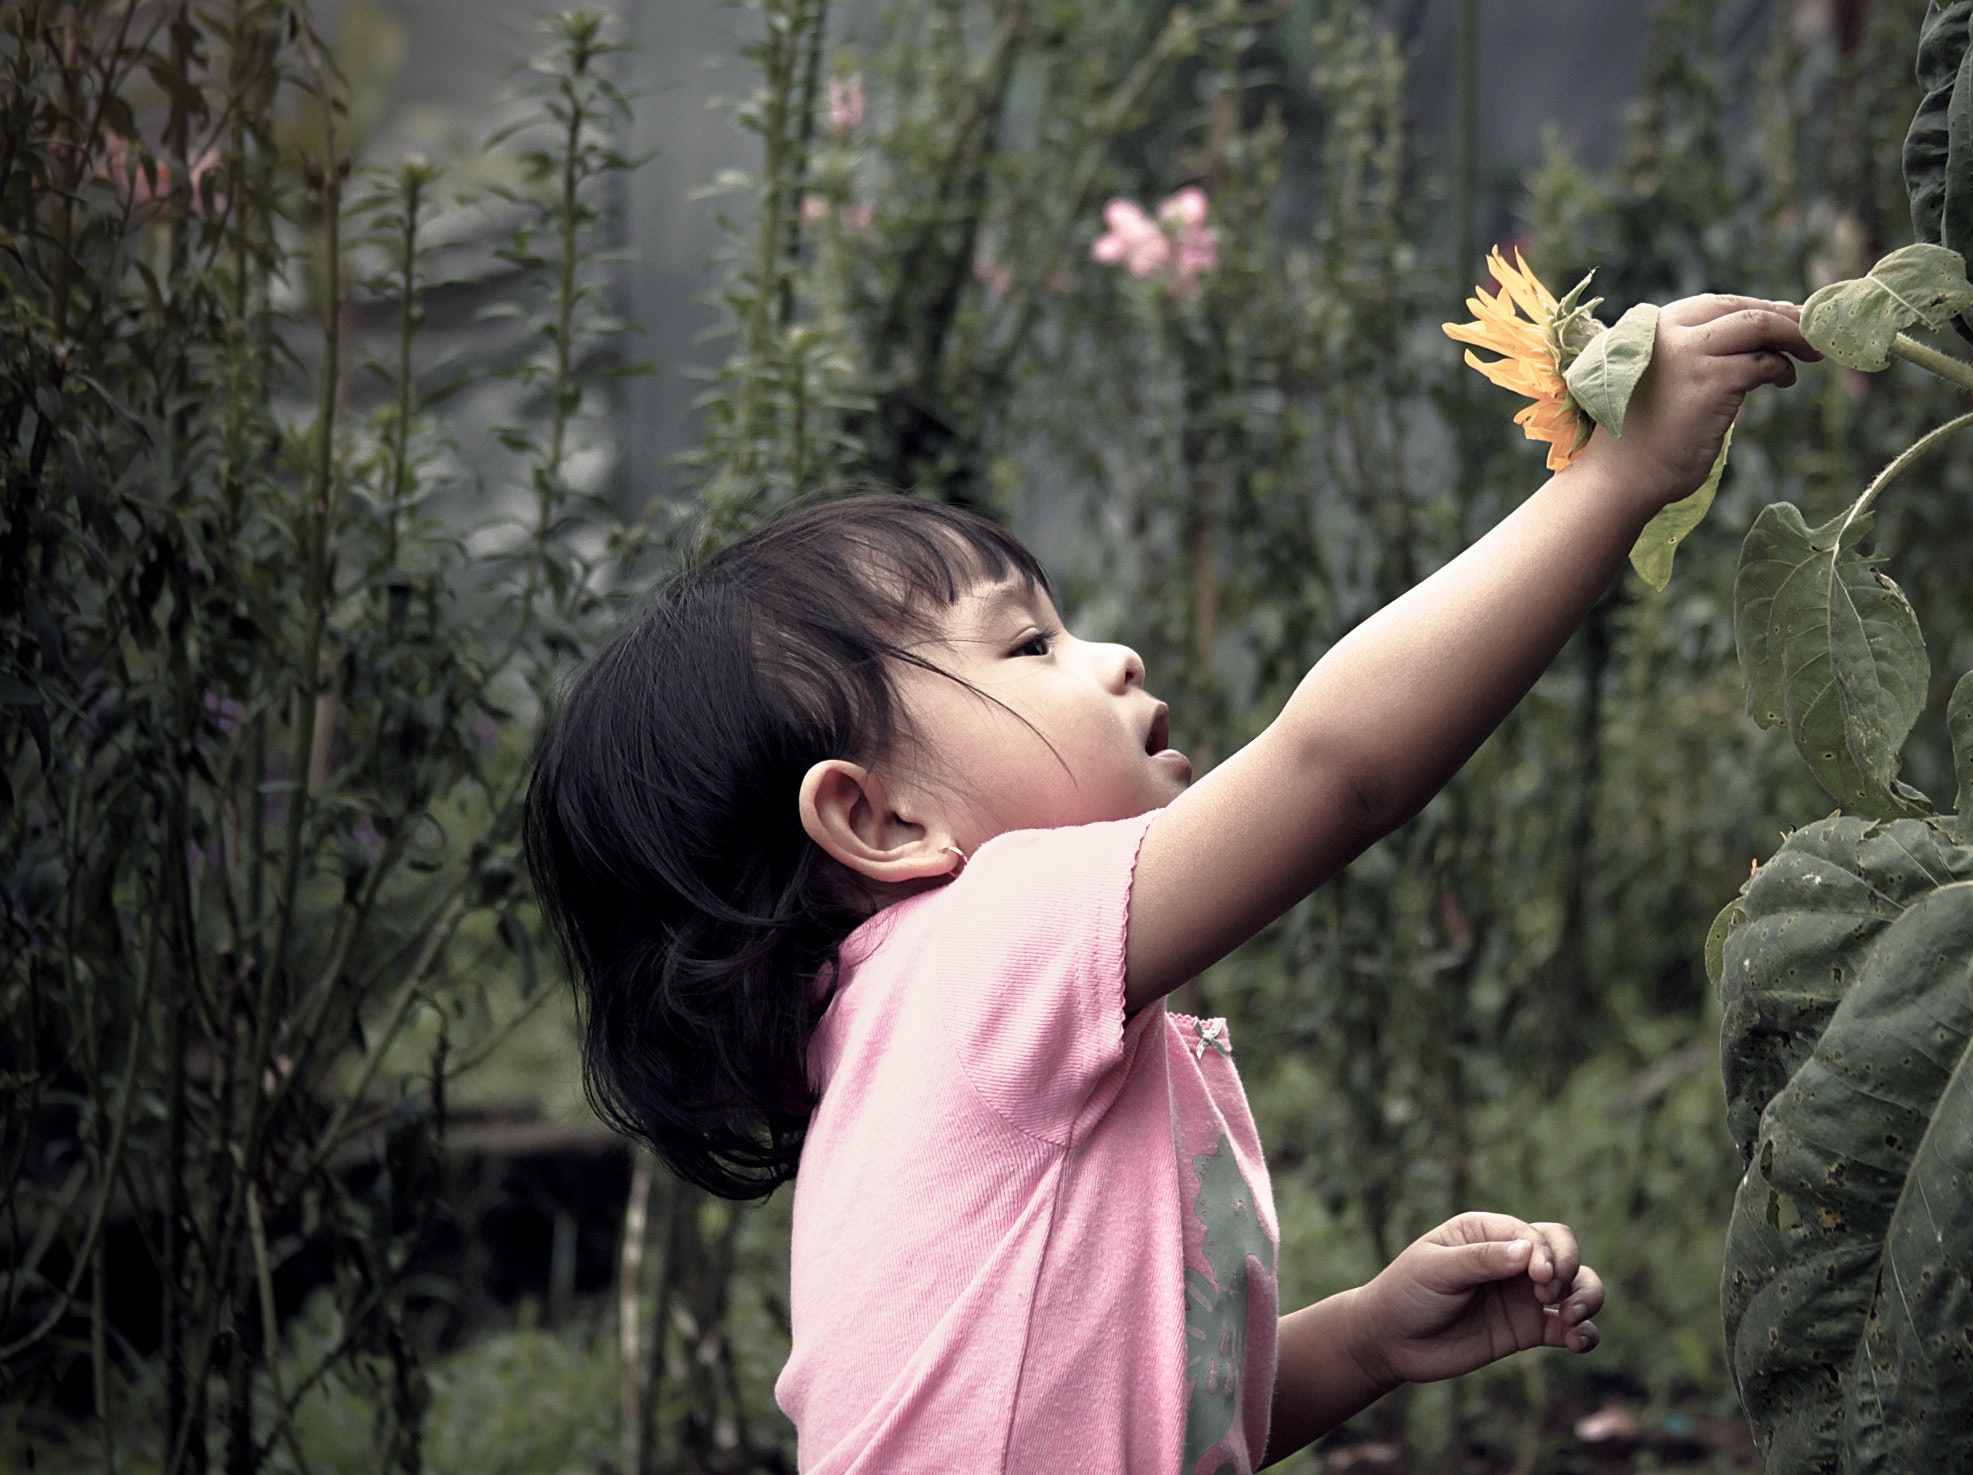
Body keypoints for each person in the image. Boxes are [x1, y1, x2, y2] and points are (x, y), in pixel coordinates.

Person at [524, 293, 1816, 1473]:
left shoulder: (930, 1036)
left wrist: (1361, 1343)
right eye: (1031, 644)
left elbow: (1111, 1418)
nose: (1118, 655)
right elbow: (1340, 769)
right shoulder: (979, 946)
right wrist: (1620, 478)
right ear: (879, 817)